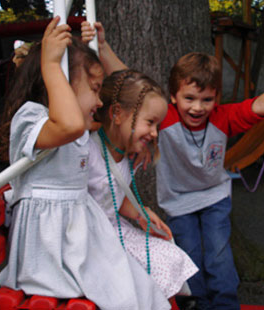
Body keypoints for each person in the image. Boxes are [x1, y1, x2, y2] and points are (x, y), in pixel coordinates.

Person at [82, 20, 264, 309]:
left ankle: (225, 305)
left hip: (215, 198)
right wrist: (103, 46)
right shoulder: (166, 118)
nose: (198, 107)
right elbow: (130, 83)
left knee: (219, 257)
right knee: (190, 257)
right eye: (189, 98)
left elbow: (261, 104)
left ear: (216, 99)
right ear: (174, 97)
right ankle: (197, 305)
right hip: (178, 202)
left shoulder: (223, 118)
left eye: (207, 99)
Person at [0, 17, 170, 310]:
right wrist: (52, 66)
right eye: (93, 89)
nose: (100, 101)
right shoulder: (33, 119)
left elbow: (132, 94)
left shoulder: (81, 131)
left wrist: (97, 46)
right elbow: (70, 124)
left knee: (139, 287)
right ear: (58, 82)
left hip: (78, 238)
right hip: (48, 249)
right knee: (122, 293)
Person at [87, 69, 199, 301]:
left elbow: (113, 196)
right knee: (142, 270)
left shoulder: (130, 155)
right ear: (117, 113)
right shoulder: (87, 151)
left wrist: (141, 215)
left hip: (113, 229)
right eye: (150, 123)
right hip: (92, 236)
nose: (154, 133)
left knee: (168, 250)